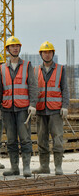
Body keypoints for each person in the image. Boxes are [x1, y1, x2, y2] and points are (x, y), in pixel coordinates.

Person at [0, 36, 38, 178]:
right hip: (7, 109)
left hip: (22, 109)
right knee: (11, 139)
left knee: (25, 138)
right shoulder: (2, 68)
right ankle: (14, 167)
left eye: (17, 46)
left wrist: (33, 104)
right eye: (12, 46)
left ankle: (26, 167)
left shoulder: (27, 65)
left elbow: (33, 86)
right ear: (7, 49)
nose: (15, 48)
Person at [32, 41, 69, 175]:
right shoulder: (35, 70)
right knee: (41, 139)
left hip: (55, 110)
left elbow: (65, 89)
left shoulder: (60, 69)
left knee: (57, 139)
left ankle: (58, 166)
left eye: (49, 52)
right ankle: (44, 166)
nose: (47, 55)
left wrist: (65, 106)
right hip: (41, 110)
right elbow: (33, 90)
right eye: (44, 52)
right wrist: (32, 105)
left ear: (53, 53)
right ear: (41, 54)